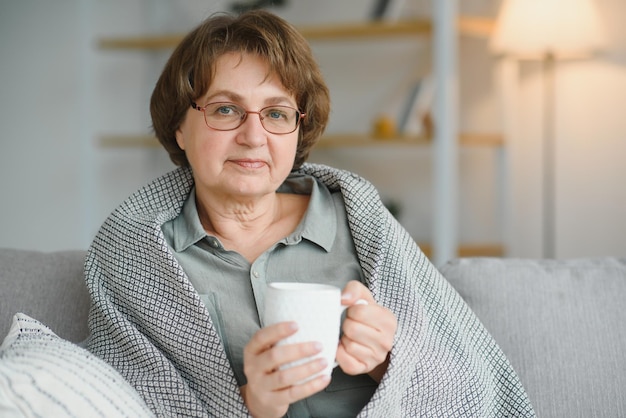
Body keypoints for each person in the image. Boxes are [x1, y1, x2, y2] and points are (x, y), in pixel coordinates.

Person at [84, 9, 535, 418]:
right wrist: (252, 402)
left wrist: (386, 361)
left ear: (298, 130)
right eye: (226, 109)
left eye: (277, 114)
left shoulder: (358, 220)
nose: (254, 136)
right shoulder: (135, 255)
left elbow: (463, 376)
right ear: (179, 126)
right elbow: (131, 401)